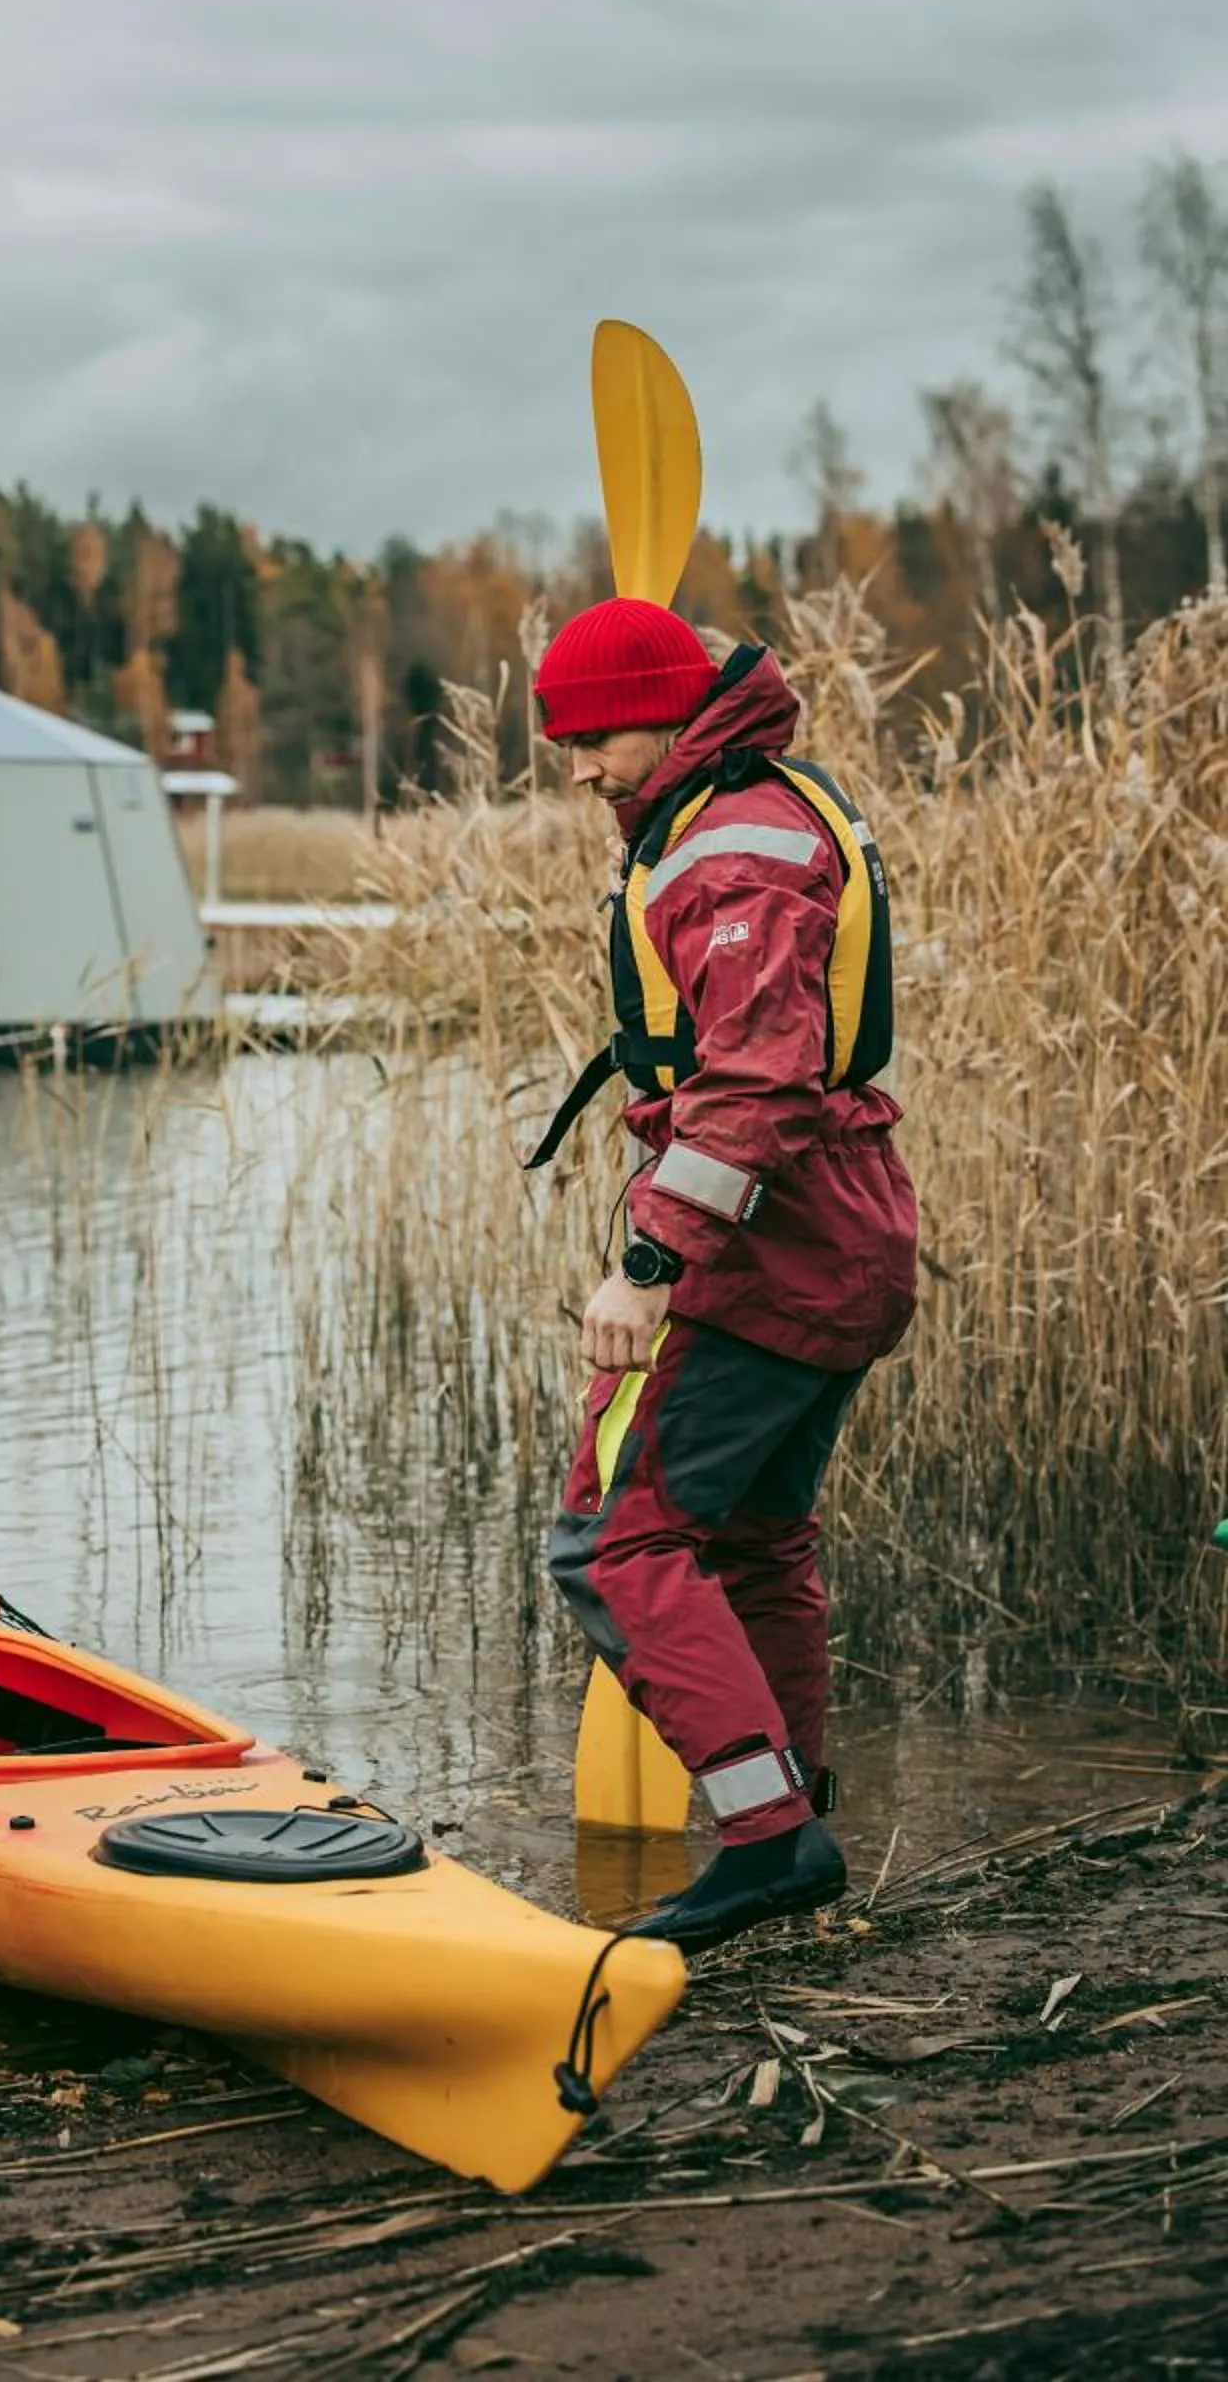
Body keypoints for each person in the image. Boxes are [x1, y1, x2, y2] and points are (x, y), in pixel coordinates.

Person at [531, 597, 918, 1951]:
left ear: (663, 713)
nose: (581, 770)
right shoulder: (751, 806)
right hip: (841, 1236)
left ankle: (767, 1841)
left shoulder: (730, 845)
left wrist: (649, 1262)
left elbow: (756, 1077)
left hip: (765, 1250)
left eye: (593, 740)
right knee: (755, 1543)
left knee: (613, 1542)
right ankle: (793, 1831)